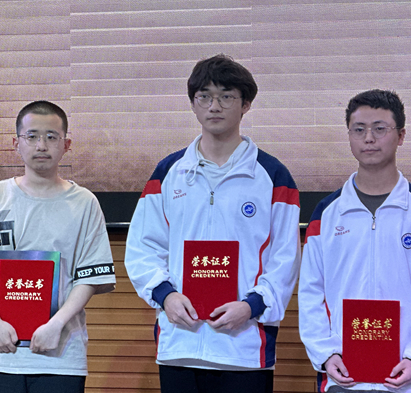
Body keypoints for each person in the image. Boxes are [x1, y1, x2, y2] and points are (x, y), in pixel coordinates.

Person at [124, 54, 301, 393]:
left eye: (226, 96)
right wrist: (165, 296)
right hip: (180, 345)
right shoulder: (168, 173)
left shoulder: (273, 176)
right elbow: (143, 247)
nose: (214, 106)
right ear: (193, 103)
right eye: (204, 96)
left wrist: (251, 306)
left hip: (244, 347)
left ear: (245, 104)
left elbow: (285, 258)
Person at [0, 101, 116, 393]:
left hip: (61, 355)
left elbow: (89, 278)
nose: (41, 145)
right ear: (16, 143)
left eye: (51, 137)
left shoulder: (84, 203)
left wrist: (56, 324)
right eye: (32, 136)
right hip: (0, 354)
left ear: (66, 145)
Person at [298, 89, 411, 392]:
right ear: (349, 136)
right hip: (343, 376)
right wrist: (326, 353)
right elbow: (311, 292)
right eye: (359, 129)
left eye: (380, 128)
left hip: (409, 378)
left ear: (401, 135)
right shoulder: (325, 214)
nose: (369, 138)